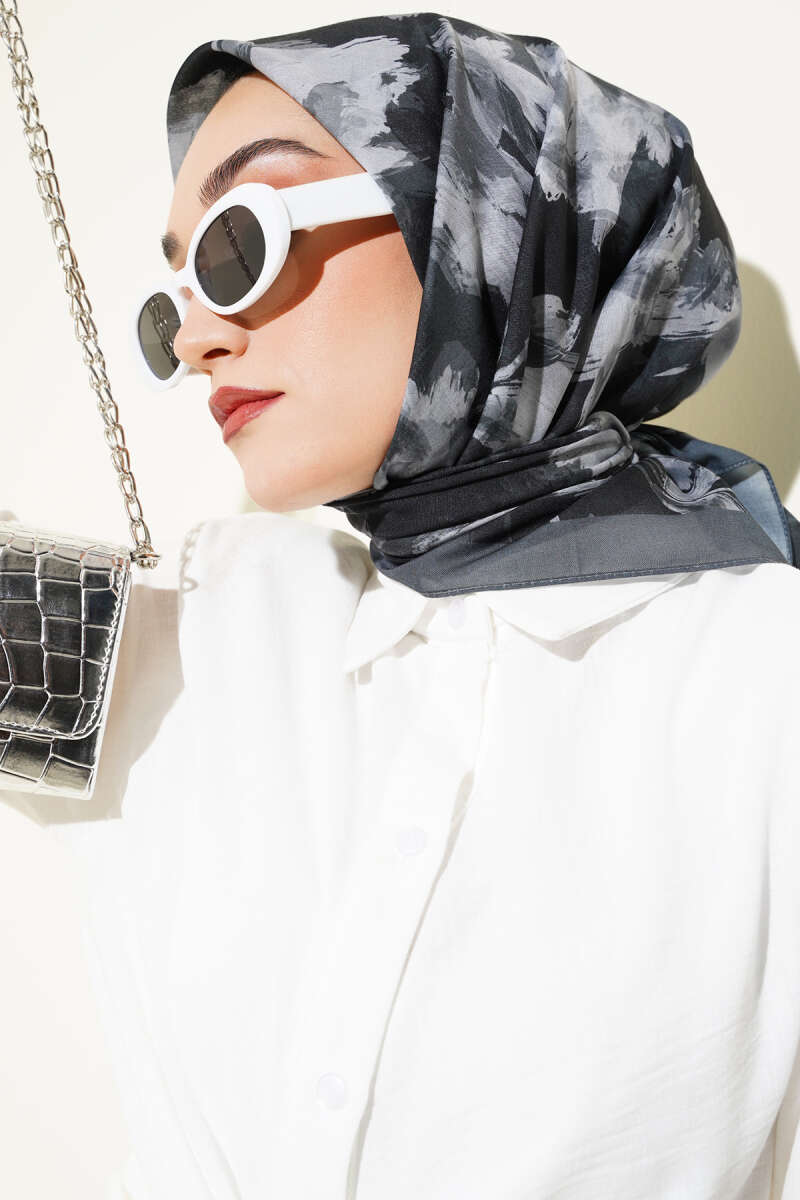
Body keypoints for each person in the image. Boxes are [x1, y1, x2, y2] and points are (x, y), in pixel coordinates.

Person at [2, 12, 800, 1199]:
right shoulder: (214, 619)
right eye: (172, 303)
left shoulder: (762, 679)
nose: (198, 338)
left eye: (235, 244)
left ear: (484, 217)